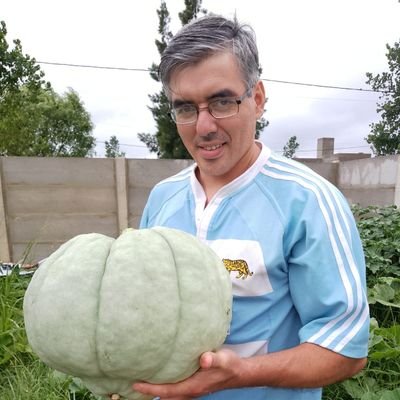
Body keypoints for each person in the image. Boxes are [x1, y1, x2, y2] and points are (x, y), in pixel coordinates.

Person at [134, 14, 369, 400]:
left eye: (222, 101)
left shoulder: (308, 201)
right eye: (186, 109)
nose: (204, 126)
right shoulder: (162, 198)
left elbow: (345, 349)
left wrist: (240, 374)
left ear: (257, 99)